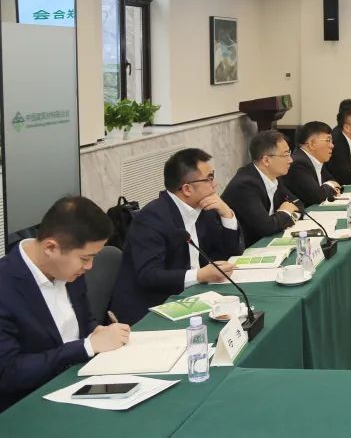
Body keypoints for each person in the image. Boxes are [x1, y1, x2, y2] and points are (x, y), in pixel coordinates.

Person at [0, 197, 131, 412]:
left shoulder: (68, 271)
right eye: (85, 258)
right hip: (29, 406)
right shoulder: (5, 287)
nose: (89, 267)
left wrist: (97, 331)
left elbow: (84, 320)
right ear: (51, 247)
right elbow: (8, 373)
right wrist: (86, 347)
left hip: (82, 383)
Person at [110, 148, 245, 324]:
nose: (215, 185)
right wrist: (199, 275)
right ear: (187, 189)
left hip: (195, 297)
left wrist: (227, 213)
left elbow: (234, 251)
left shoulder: (205, 210)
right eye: (209, 178)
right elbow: (149, 276)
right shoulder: (152, 218)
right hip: (153, 308)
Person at [222, 130, 300, 245]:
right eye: (285, 155)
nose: (291, 160)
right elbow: (266, 228)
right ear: (266, 160)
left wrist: (284, 215)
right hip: (245, 249)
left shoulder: (273, 176)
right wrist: (285, 212)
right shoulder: (245, 185)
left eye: (289, 153)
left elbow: (298, 204)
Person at [280, 121, 342, 207]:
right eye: (328, 140)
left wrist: (329, 186)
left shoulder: (316, 161)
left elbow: (335, 182)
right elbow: (318, 197)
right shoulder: (298, 164)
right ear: (312, 144)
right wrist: (330, 186)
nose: (332, 145)